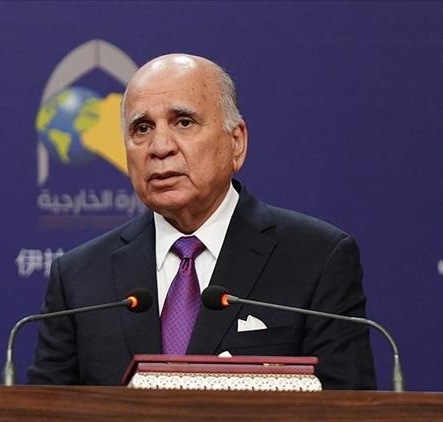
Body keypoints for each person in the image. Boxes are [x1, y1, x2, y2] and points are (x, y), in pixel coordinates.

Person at [27, 53, 376, 389]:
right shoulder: (79, 277)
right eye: (142, 128)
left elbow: (347, 415)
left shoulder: (317, 258)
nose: (160, 147)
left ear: (236, 142)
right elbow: (43, 419)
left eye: (183, 122)